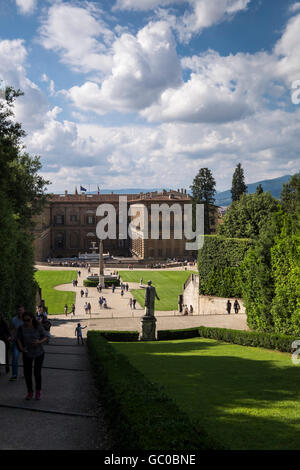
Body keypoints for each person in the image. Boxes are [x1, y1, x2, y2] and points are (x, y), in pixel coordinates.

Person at [17, 312, 48, 401]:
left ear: (32, 319)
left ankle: (38, 391)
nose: (26, 322)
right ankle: (30, 392)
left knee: (37, 373)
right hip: (27, 353)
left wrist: (39, 342)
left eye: (28, 320)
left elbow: (46, 337)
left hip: (39, 353)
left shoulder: (38, 327)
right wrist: (21, 348)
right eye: (24, 320)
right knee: (27, 374)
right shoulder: (21, 328)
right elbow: (18, 338)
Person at [9, 305, 24, 381]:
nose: (20, 311)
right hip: (16, 341)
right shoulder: (14, 319)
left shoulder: (27, 319)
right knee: (15, 357)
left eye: (21, 310)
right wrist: (11, 337)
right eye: (19, 310)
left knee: (26, 358)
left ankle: (26, 373)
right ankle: (14, 375)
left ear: (24, 310)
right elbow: (11, 329)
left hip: (26, 341)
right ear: (17, 311)